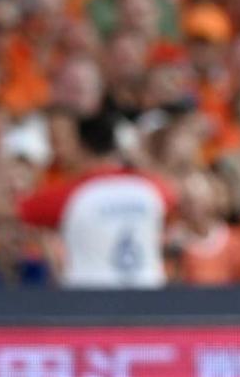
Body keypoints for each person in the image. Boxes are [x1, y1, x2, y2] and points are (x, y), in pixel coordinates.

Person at [17, 113, 174, 289]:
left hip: (91, 302)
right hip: (149, 299)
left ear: (82, 147)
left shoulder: (74, 194)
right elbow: (173, 196)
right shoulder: (151, 188)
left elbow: (21, 211)